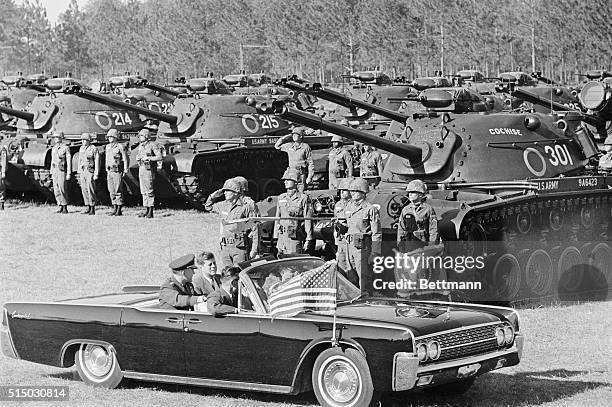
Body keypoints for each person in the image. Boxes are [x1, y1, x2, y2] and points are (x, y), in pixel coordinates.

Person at [204, 177, 260, 267]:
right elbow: (208, 206)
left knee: (239, 274)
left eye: (227, 191)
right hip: (225, 248)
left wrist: (254, 249)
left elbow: (256, 228)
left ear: (235, 193)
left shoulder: (245, 207)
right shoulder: (222, 205)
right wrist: (214, 195)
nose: (224, 193)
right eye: (224, 191)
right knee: (228, 275)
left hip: (239, 248)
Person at [345, 178, 382, 293]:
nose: (352, 193)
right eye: (351, 191)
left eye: (355, 191)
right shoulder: (349, 207)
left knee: (364, 276)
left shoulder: (370, 209)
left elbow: (377, 233)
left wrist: (375, 252)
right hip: (349, 246)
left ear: (362, 192)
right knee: (350, 274)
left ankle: (366, 298)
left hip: (362, 247)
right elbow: (346, 224)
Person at [274, 168, 313, 255]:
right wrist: (276, 237)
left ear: (295, 182)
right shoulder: (281, 198)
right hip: (282, 238)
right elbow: (277, 217)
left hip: (294, 238)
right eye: (285, 180)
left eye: (288, 180)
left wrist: (308, 239)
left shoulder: (303, 198)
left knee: (294, 263)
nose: (285, 182)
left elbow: (308, 219)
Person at [397, 179, 438, 252]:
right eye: (409, 192)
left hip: (423, 244)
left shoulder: (428, 209)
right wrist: (400, 245)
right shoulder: (405, 210)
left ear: (420, 194)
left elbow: (433, 229)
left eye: (413, 192)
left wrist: (431, 246)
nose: (410, 194)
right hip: (409, 245)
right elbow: (401, 229)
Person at [274, 126, 314, 192]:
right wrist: (286, 136)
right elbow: (277, 146)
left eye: (296, 135)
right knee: (290, 192)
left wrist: (309, 177)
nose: (294, 136)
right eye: (293, 135)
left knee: (300, 192)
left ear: (301, 136)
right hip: (291, 173)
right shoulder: (289, 145)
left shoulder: (305, 147)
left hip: (300, 174)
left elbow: (310, 163)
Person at [136, 128, 162, 218]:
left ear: (146, 136)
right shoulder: (140, 146)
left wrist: (149, 158)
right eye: (140, 136)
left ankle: (150, 211)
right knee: (143, 191)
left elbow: (159, 157)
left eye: (142, 136)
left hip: (148, 169)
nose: (140, 137)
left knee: (149, 190)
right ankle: (146, 209)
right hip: (141, 168)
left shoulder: (152, 145)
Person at [105, 128, 129, 216]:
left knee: (118, 189)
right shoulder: (107, 147)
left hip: (117, 170)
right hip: (110, 170)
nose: (109, 138)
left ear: (115, 137)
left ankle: (119, 209)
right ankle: (114, 207)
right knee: (111, 190)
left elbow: (125, 159)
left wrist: (125, 169)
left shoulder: (120, 147)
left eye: (111, 137)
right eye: (109, 137)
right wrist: (106, 169)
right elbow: (107, 159)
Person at [333, 177, 353, 279]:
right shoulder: (338, 205)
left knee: (352, 266)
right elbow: (336, 221)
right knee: (341, 264)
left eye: (344, 190)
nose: (342, 192)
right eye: (340, 190)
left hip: (351, 239)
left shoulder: (354, 205)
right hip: (341, 240)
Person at [78, 133, 100, 215]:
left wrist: (96, 173)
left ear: (88, 140)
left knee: (90, 189)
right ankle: (87, 206)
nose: (83, 141)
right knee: (84, 189)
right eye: (82, 140)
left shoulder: (93, 148)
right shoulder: (81, 148)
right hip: (83, 170)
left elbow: (97, 161)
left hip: (90, 170)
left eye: (84, 140)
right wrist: (79, 171)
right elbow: (80, 159)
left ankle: (92, 207)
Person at [50, 131, 71, 214]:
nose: (56, 139)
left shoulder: (65, 148)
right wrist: (51, 171)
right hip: (55, 170)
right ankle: (60, 205)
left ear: (61, 138)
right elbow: (52, 161)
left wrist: (69, 172)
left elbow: (68, 160)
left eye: (58, 137)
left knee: (62, 188)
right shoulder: (54, 148)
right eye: (55, 137)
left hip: (62, 170)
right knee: (56, 189)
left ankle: (65, 206)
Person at [0, 142, 7, 210]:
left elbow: (3, 160)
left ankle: (1, 203)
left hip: (0, 169)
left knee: (1, 187)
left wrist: (3, 172)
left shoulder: (2, 148)